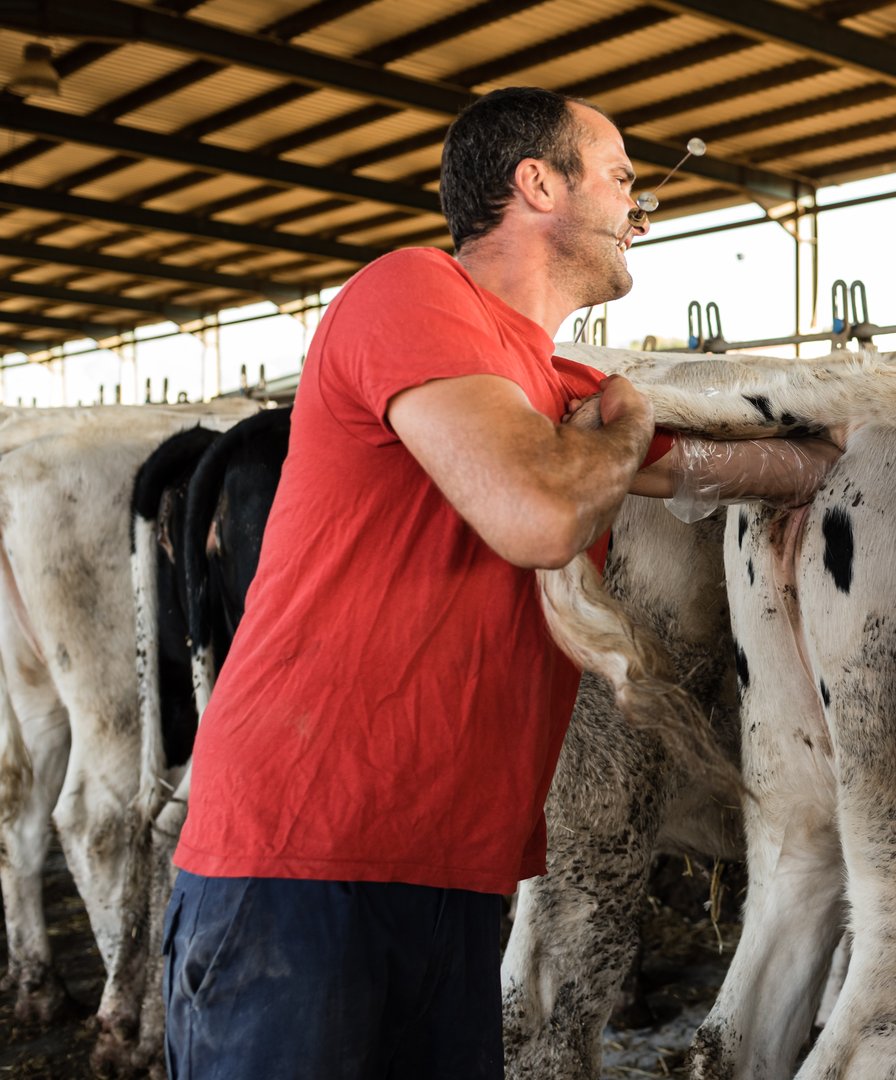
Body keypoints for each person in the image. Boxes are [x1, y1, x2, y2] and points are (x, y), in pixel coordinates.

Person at [162, 87, 839, 1078]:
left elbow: (754, 464)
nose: (640, 210)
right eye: (620, 179)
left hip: (457, 874)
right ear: (537, 185)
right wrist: (635, 428)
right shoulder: (411, 292)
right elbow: (543, 514)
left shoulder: (553, 387)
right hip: (301, 860)